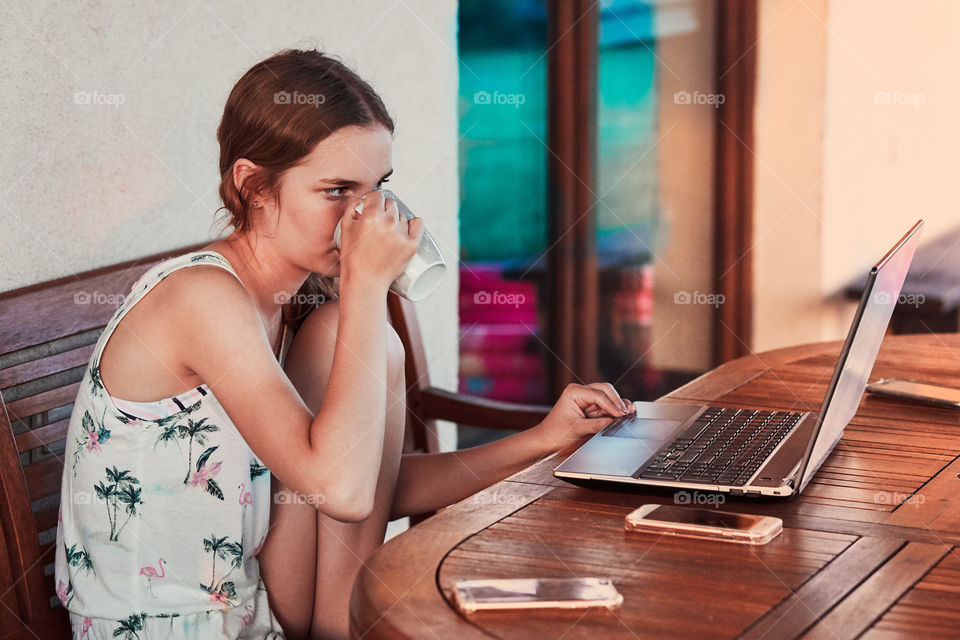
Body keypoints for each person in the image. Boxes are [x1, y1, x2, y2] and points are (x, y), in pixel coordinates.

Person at [54, 48, 636, 640]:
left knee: (358, 343)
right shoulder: (202, 297)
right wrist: (364, 288)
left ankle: (348, 626)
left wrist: (543, 440)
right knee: (358, 340)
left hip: (261, 613)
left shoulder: (294, 307)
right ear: (253, 186)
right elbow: (343, 494)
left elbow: (370, 485)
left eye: (376, 188)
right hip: (173, 627)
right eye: (336, 190)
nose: (363, 215)